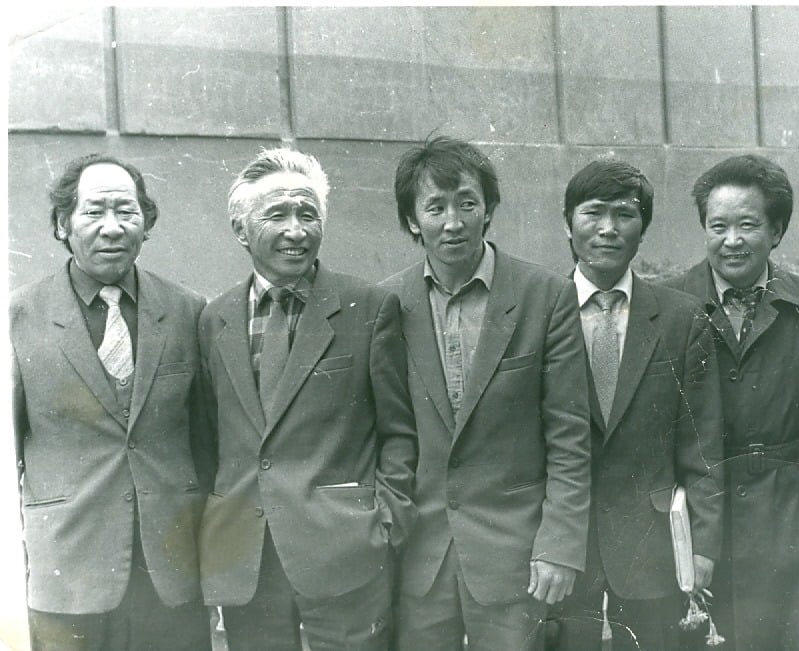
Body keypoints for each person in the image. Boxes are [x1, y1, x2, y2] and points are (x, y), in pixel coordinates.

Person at [197, 148, 417, 651]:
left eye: (308, 214)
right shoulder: (214, 319)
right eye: (277, 215)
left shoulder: (368, 308)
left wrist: (385, 525)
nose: (296, 231)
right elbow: (211, 440)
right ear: (240, 228)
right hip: (248, 560)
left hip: (346, 553)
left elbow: (399, 432)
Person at [381, 136, 591, 651]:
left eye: (467, 204)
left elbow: (569, 436)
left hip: (516, 555)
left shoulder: (545, 296)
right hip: (421, 557)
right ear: (412, 220)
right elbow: (388, 431)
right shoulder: (387, 303)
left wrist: (559, 545)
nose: (453, 222)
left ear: (489, 210)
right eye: (435, 208)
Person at [9, 154, 212, 650]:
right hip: (68, 573)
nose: (112, 227)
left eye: (126, 211)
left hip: (171, 572)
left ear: (147, 222)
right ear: (63, 224)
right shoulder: (17, 318)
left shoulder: (188, 311)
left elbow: (208, 443)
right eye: (94, 211)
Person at [665, 154, 799, 651]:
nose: (732, 241)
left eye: (747, 225)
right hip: (701, 533)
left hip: (789, 528)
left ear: (777, 230)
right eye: (717, 226)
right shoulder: (670, 305)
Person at [551, 160, 725, 651]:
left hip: (654, 546)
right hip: (563, 545)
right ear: (567, 223)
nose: (608, 228)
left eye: (624, 215)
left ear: (643, 229)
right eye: (593, 213)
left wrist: (704, 546)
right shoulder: (538, 311)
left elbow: (703, 444)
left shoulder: (681, 319)